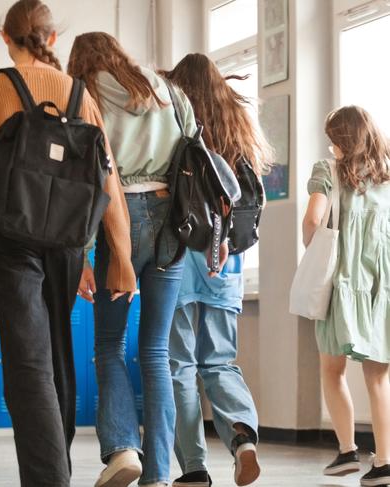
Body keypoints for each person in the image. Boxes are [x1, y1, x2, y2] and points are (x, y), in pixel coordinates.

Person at [0, 2, 136, 486]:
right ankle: (57, 472)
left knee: (26, 360)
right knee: (57, 352)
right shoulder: (79, 94)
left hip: (9, 235)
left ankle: (47, 478)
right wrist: (120, 256)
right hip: (66, 239)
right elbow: (108, 182)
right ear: (52, 39)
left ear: (6, 37)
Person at [69, 32, 198, 487]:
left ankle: (123, 449)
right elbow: (194, 152)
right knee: (157, 350)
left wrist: (84, 253)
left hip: (116, 220)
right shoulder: (170, 91)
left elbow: (86, 178)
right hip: (171, 218)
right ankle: (160, 474)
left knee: (108, 343)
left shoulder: (84, 93)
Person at [161, 53, 273, 487]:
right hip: (227, 263)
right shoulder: (239, 127)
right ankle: (243, 439)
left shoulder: (174, 119)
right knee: (221, 362)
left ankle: (194, 469)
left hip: (180, 256)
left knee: (179, 366)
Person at [303, 105, 390, 487]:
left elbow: (311, 221)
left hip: (342, 285)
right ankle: (385, 462)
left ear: (340, 139)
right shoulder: (387, 176)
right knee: (378, 379)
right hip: (381, 287)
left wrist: (312, 246)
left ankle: (347, 450)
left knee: (332, 369)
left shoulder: (328, 171)